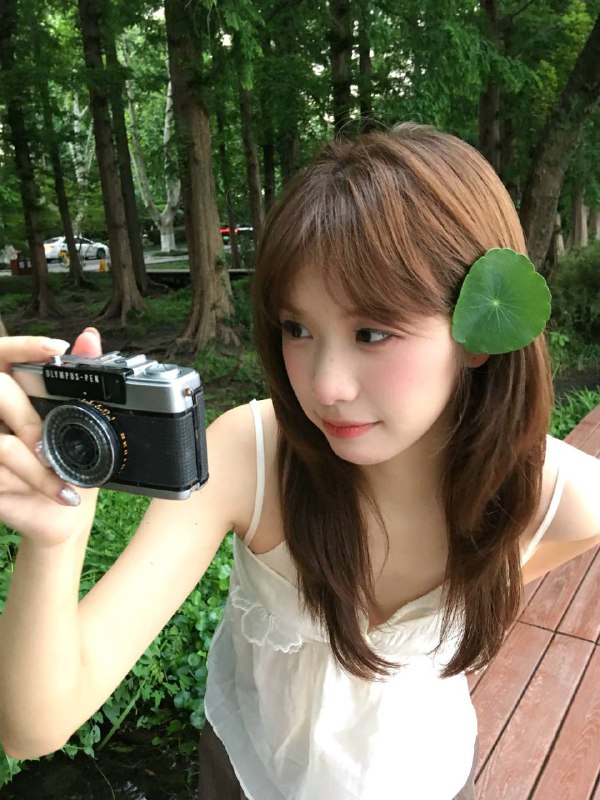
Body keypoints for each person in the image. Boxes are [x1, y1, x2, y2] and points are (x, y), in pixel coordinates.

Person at [0, 123, 599, 800]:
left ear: (478, 335)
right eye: (297, 329)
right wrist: (56, 532)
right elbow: (34, 727)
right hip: (251, 773)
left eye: (371, 332)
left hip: (428, 778)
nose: (325, 385)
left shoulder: (554, 498)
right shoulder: (250, 458)